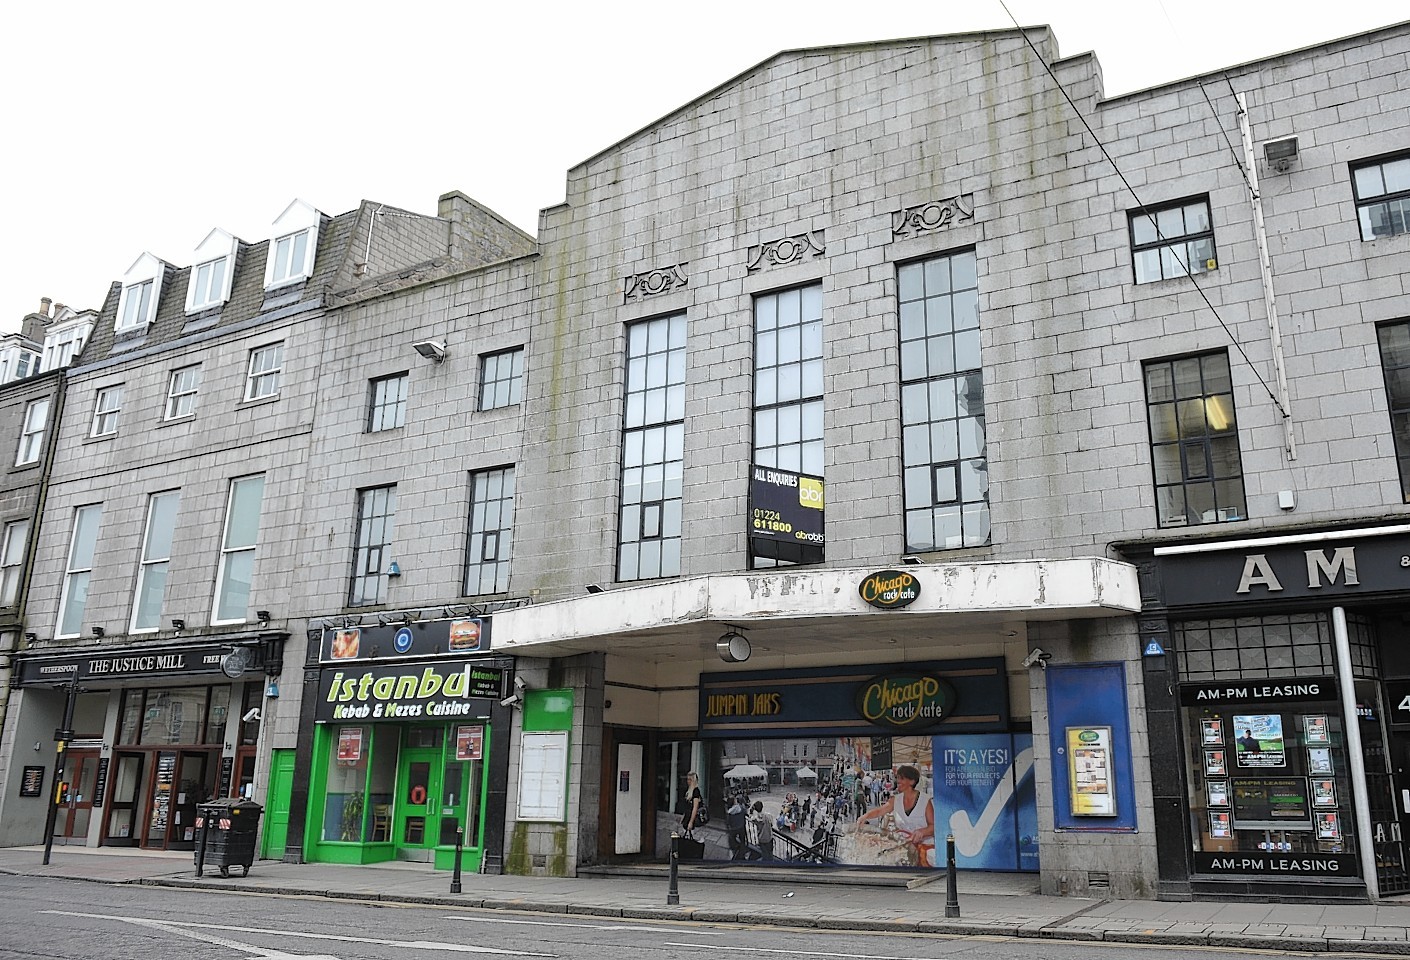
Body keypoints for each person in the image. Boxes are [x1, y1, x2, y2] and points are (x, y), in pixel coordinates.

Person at [855, 764, 935, 867]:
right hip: (903, 849)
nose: (898, 781)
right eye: (897, 778)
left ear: (912, 781)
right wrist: (865, 816)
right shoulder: (895, 800)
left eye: (902, 778)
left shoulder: (925, 800)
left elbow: (933, 826)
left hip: (924, 850)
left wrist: (922, 832)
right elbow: (879, 811)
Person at [725, 793, 747, 859]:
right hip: (741, 827)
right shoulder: (741, 808)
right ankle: (742, 852)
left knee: (732, 839)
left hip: (733, 828)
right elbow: (745, 812)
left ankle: (735, 849)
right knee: (742, 840)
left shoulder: (729, 813)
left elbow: (728, 822)